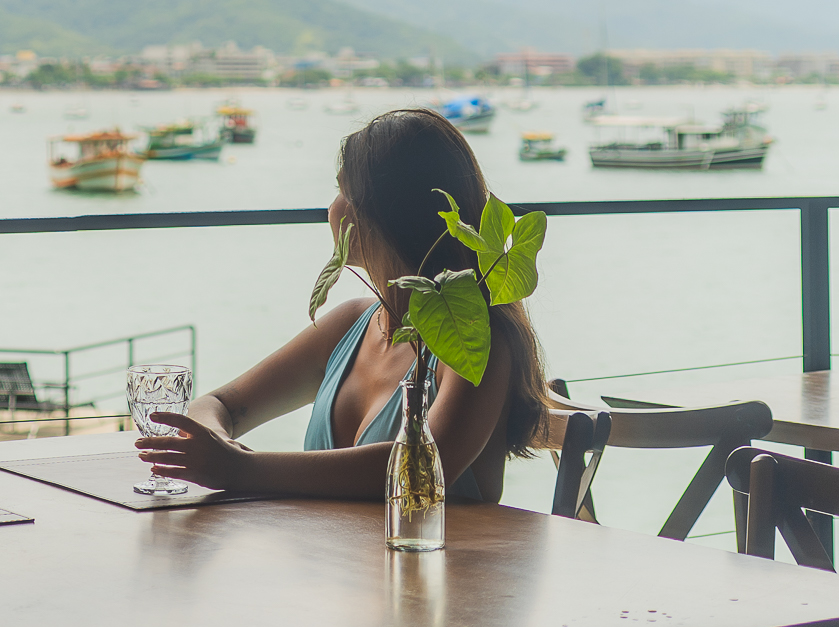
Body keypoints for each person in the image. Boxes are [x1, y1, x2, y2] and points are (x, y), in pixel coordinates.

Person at [134, 106, 549, 502]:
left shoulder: (478, 340)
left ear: (386, 212)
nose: (332, 207)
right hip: (337, 566)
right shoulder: (353, 322)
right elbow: (220, 405)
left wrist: (241, 468)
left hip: (439, 571)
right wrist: (215, 447)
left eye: (342, 190)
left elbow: (421, 466)